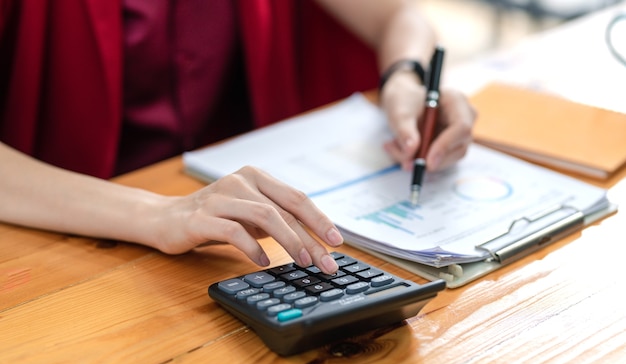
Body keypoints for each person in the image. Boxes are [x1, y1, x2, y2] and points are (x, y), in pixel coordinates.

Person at [0, 0, 475, 274]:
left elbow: (398, 14)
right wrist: (156, 213)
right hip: (67, 240)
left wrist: (406, 80)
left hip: (240, 238)